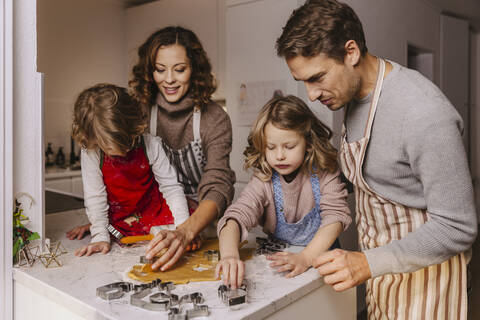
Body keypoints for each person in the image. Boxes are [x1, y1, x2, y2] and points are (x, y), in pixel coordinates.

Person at [276, 1, 477, 319]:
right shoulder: (349, 97)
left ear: (351, 52)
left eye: (317, 78)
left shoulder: (423, 112)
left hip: (430, 286)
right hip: (383, 279)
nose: (311, 94)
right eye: (304, 82)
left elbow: (458, 226)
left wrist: (367, 262)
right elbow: (374, 176)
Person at [215, 95, 351, 289]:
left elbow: (336, 217)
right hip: (282, 259)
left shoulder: (324, 173)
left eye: (289, 147)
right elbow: (236, 217)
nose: (279, 156)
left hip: (323, 257)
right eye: (271, 147)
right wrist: (229, 255)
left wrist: (305, 258)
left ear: (308, 142)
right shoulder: (264, 179)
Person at [129, 26, 236, 271]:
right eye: (160, 69)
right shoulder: (141, 113)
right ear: (149, 71)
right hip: (155, 224)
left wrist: (186, 231)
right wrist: (106, 223)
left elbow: (218, 183)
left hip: (202, 227)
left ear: (194, 70)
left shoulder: (214, 118)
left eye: (179, 69)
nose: (169, 79)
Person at [68, 84, 190, 257]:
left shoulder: (151, 144)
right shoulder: (91, 152)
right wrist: (99, 235)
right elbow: (95, 197)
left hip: (153, 210)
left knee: (188, 221)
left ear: (132, 128)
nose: (118, 153)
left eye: (123, 144)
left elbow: (171, 188)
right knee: (109, 229)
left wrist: (183, 230)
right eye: (106, 146)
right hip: (121, 218)